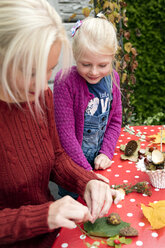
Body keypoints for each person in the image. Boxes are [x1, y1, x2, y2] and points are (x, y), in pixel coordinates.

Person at [0, 1, 122, 247]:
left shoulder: (40, 95)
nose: (44, 85)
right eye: (31, 71)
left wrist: (86, 181)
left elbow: (55, 155)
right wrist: (43, 215)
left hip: (52, 237)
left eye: (49, 69)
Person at [53, 14, 122, 198]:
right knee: (76, 217)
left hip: (101, 166)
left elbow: (115, 120)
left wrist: (106, 152)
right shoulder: (65, 81)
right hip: (74, 172)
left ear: (112, 58)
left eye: (102, 65)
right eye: (86, 64)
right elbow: (65, 135)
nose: (93, 71)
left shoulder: (112, 79)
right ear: (76, 56)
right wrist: (86, 173)